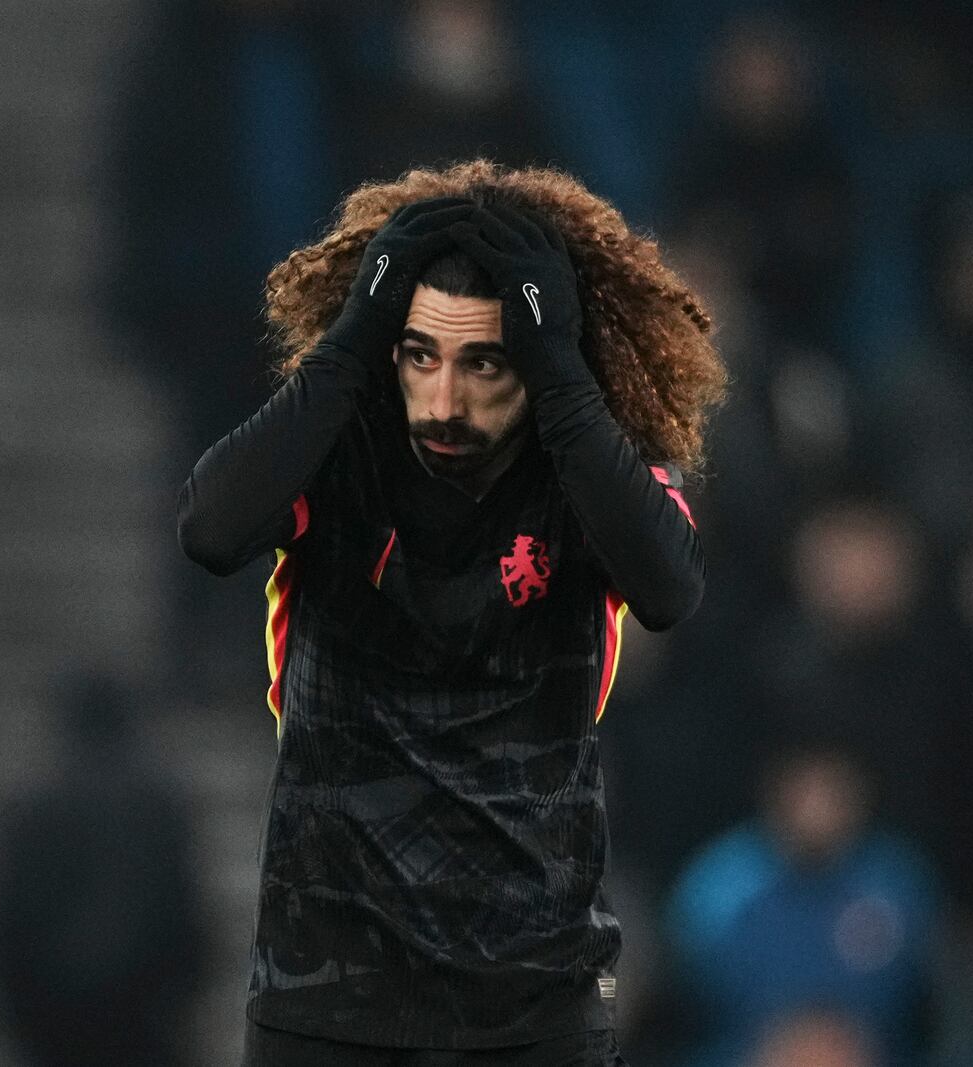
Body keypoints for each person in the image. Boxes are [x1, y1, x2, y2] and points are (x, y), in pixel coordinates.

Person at [178, 159, 724, 1064]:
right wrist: (353, 336)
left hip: (538, 997)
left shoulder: (592, 472)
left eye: (486, 364)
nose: (443, 401)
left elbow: (670, 587)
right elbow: (209, 528)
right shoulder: (335, 453)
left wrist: (563, 378)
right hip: (330, 992)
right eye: (419, 355)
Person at [0, 669, 207, 1067]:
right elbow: (182, 905)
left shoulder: (34, 801)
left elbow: (6, 912)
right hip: (143, 1007)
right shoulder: (158, 799)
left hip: (51, 1004)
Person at [665, 745, 940, 1067]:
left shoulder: (898, 881)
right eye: (806, 791)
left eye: (831, 791)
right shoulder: (717, 889)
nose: (818, 809)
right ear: (776, 796)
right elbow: (688, 1012)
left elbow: (930, 1006)